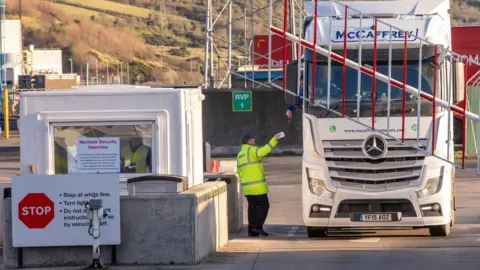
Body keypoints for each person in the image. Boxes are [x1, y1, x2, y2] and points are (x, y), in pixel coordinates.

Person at [236, 132, 283, 237]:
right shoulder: (252, 150)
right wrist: (274, 139)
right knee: (264, 206)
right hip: (257, 186)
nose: (254, 141)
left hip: (247, 187)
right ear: (248, 141)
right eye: (252, 139)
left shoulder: (240, 154)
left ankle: (251, 230)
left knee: (252, 208)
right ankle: (258, 227)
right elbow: (264, 150)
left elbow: (239, 171)